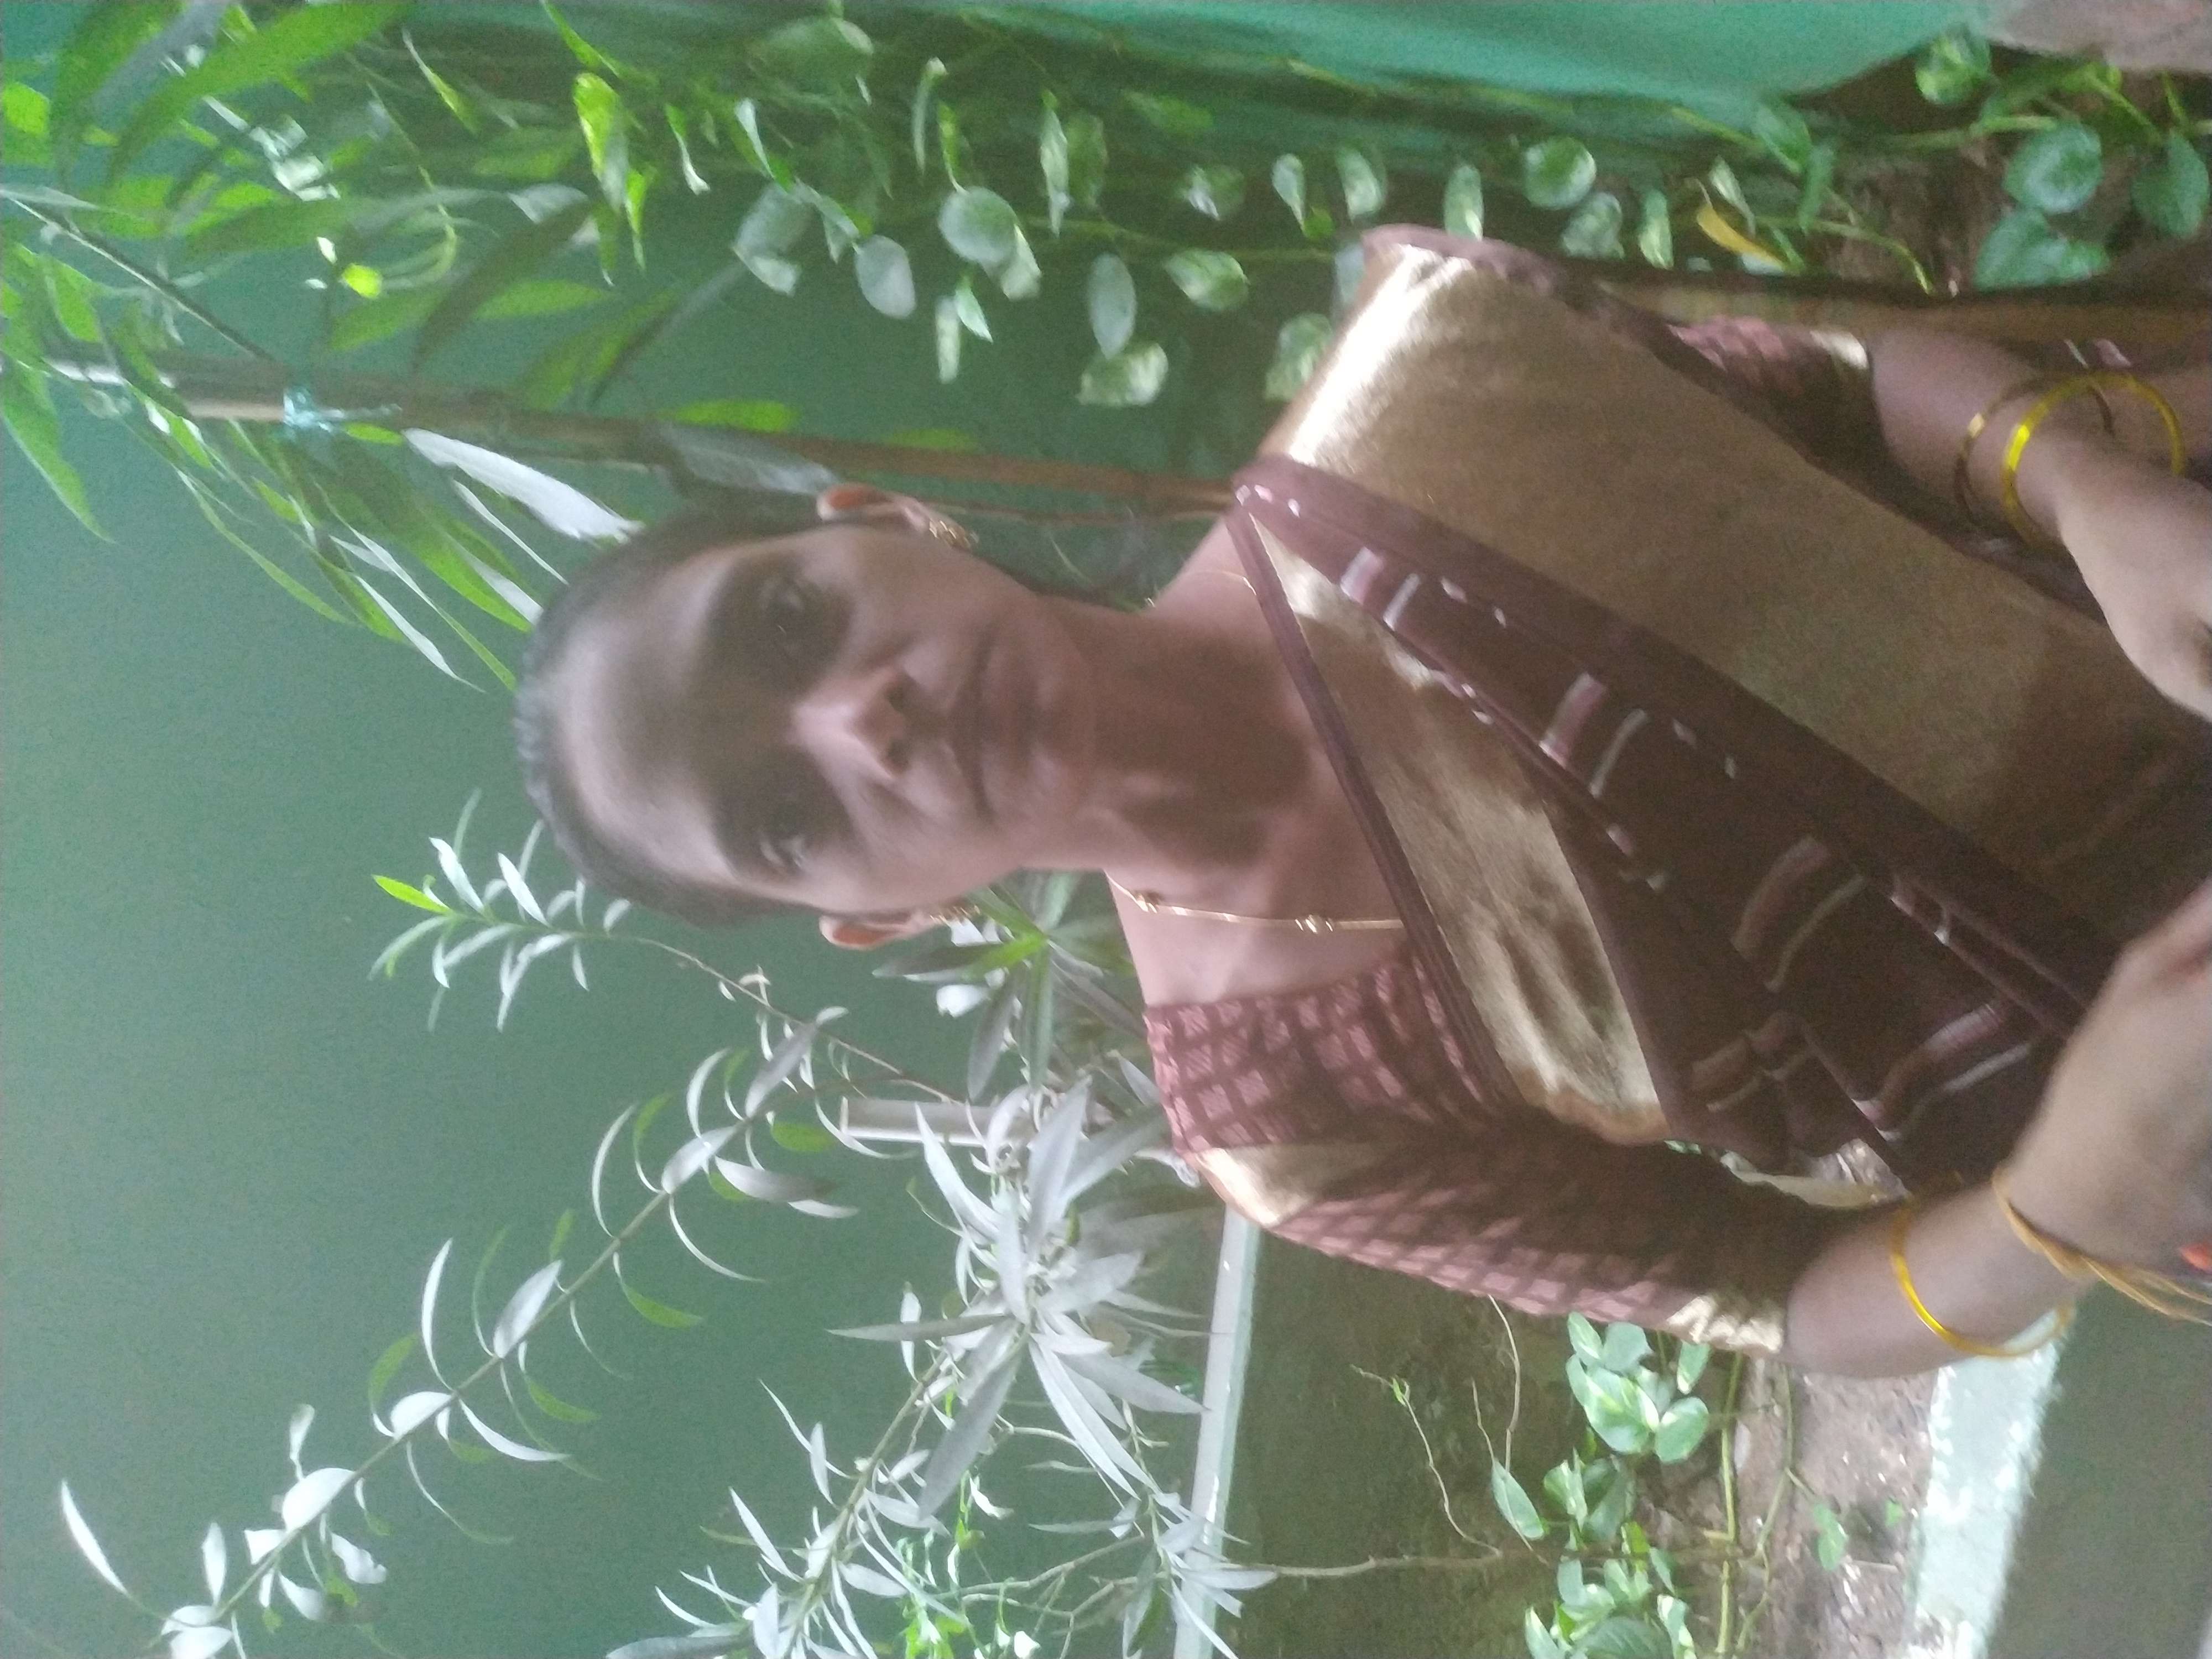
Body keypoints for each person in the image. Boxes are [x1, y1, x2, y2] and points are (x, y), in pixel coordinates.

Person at [513, 228, 2212, 1376]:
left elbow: (1838, 385)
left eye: (787, 624)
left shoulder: (1425, 390)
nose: (858, 718)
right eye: (786, 813)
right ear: (881, 918)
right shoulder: (1283, 1113)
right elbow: (1779, 1298)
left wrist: (2085, 486)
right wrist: (2061, 1204)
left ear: (878, 519)